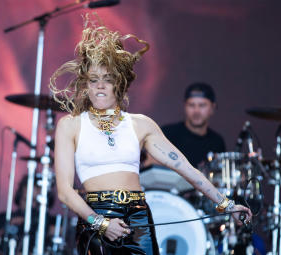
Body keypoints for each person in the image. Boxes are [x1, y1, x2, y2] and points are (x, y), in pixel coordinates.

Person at [48, 14, 251, 254]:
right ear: (85, 85)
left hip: (138, 217)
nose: (100, 85)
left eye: (107, 79)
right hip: (95, 216)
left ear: (119, 83)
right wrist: (100, 223)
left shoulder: (140, 124)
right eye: (93, 80)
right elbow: (65, 191)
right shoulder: (71, 125)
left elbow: (185, 168)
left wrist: (227, 205)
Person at [158, 82, 225, 167]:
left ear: (212, 108)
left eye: (202, 105)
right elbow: (149, 166)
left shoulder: (217, 142)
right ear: (185, 106)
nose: (196, 111)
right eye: (191, 105)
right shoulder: (167, 134)